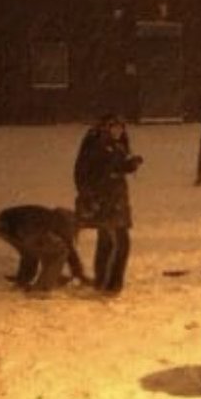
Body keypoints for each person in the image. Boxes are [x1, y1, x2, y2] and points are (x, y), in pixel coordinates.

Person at [73, 114, 144, 294]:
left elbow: (111, 168)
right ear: (106, 128)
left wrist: (128, 166)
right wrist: (93, 197)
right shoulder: (99, 146)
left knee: (108, 241)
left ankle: (104, 282)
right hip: (107, 202)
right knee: (119, 243)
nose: (119, 131)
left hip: (115, 200)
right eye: (115, 127)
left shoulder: (112, 145)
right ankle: (111, 283)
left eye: (121, 127)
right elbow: (93, 173)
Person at [0, 205, 87, 292]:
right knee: (59, 253)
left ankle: (23, 281)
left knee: (31, 253)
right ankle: (41, 289)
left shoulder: (48, 215)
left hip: (2, 224)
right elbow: (69, 248)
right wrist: (78, 273)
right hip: (26, 228)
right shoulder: (68, 220)